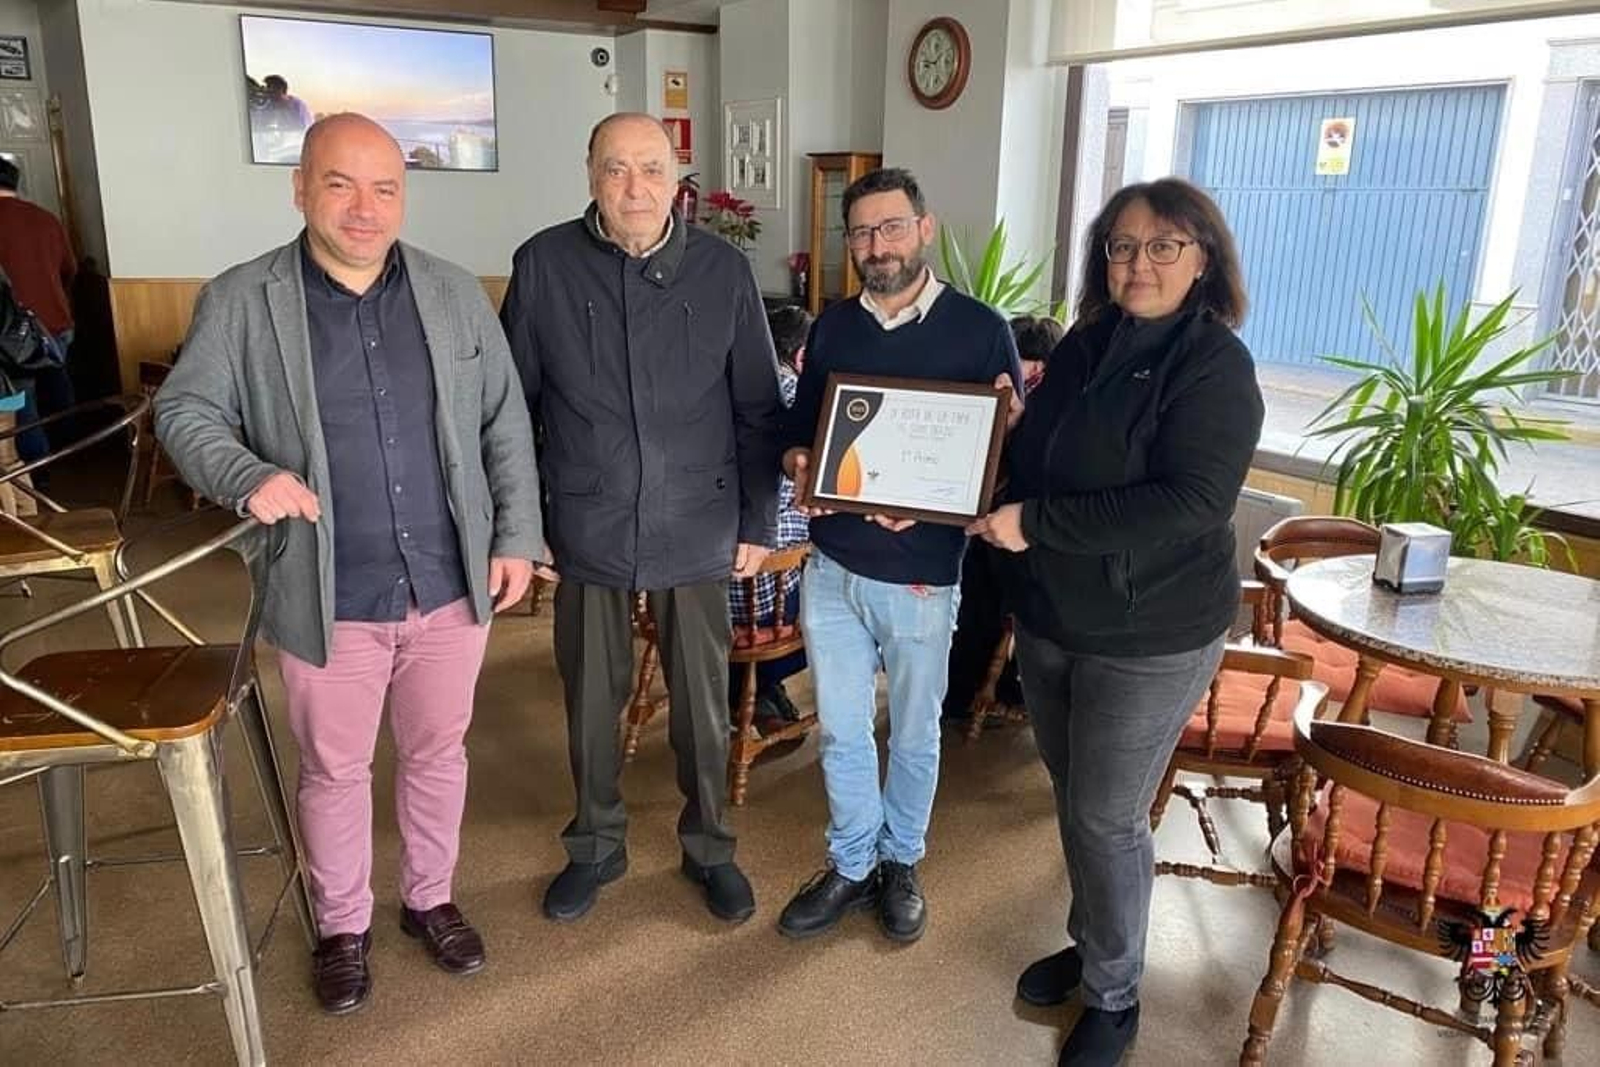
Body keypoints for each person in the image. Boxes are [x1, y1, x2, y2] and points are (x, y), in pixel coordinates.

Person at [155, 113, 542, 1016]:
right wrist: (247, 475)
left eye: (385, 188)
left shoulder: (453, 294)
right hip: (329, 589)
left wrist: (517, 534)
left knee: (438, 752)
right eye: (340, 184)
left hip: (450, 582)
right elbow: (185, 413)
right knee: (334, 768)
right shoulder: (242, 299)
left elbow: (505, 423)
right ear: (300, 189)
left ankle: (429, 898)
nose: (365, 209)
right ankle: (341, 925)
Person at [969, 177, 1262, 1065]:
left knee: (1106, 813)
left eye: (1163, 245)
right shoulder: (1093, 340)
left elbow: (1192, 499)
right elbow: (1050, 455)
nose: (1139, 263)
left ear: (1203, 258)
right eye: (1123, 246)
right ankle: (1095, 939)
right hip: (1057, 614)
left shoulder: (1214, 365)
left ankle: (1115, 993)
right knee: (1076, 795)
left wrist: (1038, 522)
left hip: (1153, 630)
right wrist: (1010, 429)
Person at [501, 113, 780, 926]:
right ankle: (594, 843)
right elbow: (511, 409)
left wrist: (757, 522)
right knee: (591, 700)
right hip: (585, 520)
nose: (634, 188)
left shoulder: (724, 270)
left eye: (651, 169)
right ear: (590, 173)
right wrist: (523, 520)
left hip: (699, 520)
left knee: (702, 704)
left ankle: (711, 847)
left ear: (676, 177)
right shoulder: (544, 263)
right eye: (616, 169)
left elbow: (758, 407)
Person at [776, 167, 1022, 944]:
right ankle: (852, 863)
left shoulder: (983, 329)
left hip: (922, 573)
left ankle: (902, 861)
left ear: (923, 227)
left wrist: (1004, 433)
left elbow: (1004, 459)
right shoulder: (836, 327)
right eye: (861, 233)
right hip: (835, 566)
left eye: (890, 228)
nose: (875, 246)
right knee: (844, 730)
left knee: (913, 732)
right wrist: (800, 468)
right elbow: (805, 432)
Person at [941, 314, 1064, 728]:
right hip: (995, 524)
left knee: (986, 605)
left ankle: (972, 694)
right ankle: (976, 692)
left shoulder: (1047, 403)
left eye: (1026, 362)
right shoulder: (1004, 393)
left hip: (1021, 527)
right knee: (981, 605)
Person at [727, 305, 811, 734]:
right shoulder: (795, 396)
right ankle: (762, 686)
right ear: (800, 358)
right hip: (762, 601)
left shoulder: (721, 387)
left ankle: (747, 689)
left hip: (700, 589)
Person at [0, 156, 76, 464]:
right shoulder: (46, 219)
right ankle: (74, 451)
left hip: (10, 335)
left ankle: (37, 470)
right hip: (56, 323)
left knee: (23, 404)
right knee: (58, 386)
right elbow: (69, 269)